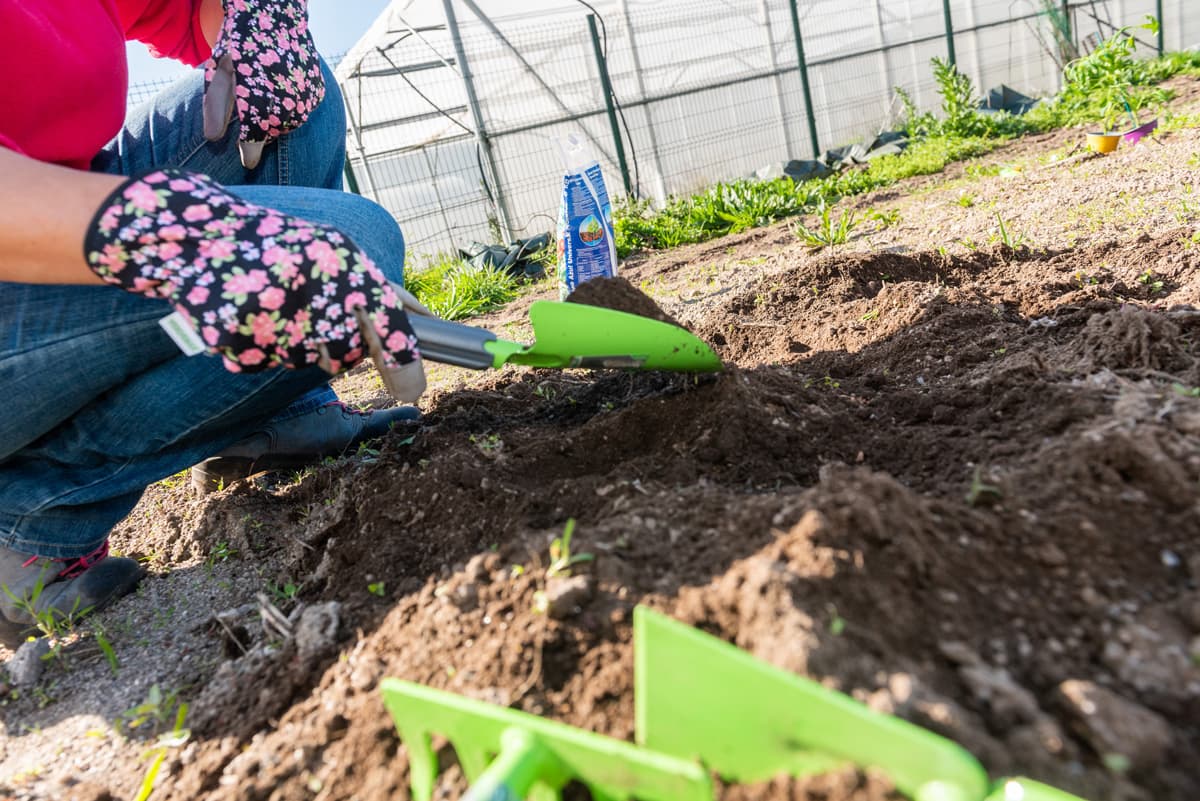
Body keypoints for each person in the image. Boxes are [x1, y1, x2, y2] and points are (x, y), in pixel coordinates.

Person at [0, 0, 425, 649]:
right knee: (358, 242)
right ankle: (32, 519)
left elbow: (182, 9)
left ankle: (276, 412)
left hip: (58, 204)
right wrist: (173, 235)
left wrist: (248, 20)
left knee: (292, 96)